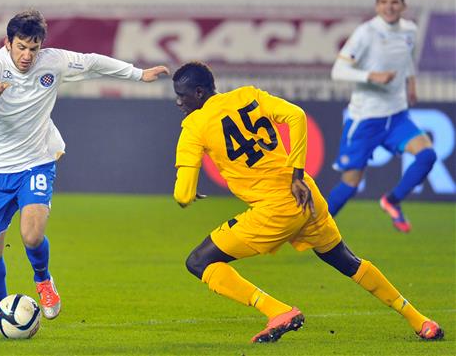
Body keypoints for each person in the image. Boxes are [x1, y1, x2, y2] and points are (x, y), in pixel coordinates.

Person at [171, 61, 443, 343]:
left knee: (199, 261)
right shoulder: (248, 95)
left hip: (273, 211)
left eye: (182, 94)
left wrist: (188, 192)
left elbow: (183, 194)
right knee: (346, 260)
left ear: (200, 93)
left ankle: (277, 311)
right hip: (305, 196)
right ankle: (420, 321)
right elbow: (296, 116)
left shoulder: (193, 126)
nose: (178, 102)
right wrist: (297, 173)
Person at [0, 9, 169, 329]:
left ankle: (43, 282)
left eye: (34, 47)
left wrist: (139, 74)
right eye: (21, 47)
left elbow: (94, 61)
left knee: (31, 235)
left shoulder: (52, 61)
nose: (27, 55)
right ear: (8, 42)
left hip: (36, 161)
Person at [327, 0, 436, 232]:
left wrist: (411, 85)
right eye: (384, 2)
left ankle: (392, 200)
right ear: (377, 6)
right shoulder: (366, 33)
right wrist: (370, 76)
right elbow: (338, 71)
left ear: (403, 6)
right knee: (350, 183)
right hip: (366, 118)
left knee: (427, 155)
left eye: (394, 2)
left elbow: (407, 59)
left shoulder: (410, 30)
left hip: (396, 116)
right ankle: (317, 226)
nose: (389, 7)